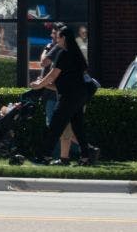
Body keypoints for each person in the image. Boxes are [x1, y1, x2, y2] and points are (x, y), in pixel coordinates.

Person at [30, 24, 99, 166]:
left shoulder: (63, 53)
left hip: (68, 97)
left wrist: (39, 85)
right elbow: (73, 78)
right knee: (78, 127)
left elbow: (52, 75)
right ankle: (86, 157)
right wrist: (46, 84)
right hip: (80, 96)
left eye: (58, 37)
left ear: (64, 38)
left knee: (55, 126)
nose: (57, 39)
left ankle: (45, 156)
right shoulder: (77, 54)